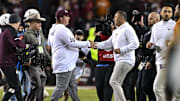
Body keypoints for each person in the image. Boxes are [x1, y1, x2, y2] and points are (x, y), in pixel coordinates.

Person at [47, 8, 93, 101]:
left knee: (72, 87)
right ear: (60, 18)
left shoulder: (53, 29)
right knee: (61, 87)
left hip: (67, 63)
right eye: (66, 16)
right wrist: (88, 43)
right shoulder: (61, 30)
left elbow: (50, 44)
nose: (69, 18)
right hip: (64, 64)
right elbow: (73, 43)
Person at [95, 10, 139, 101]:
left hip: (126, 60)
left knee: (113, 82)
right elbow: (107, 44)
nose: (114, 19)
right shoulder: (116, 31)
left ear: (121, 18)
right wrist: (95, 45)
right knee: (117, 83)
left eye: (115, 17)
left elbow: (136, 44)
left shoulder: (128, 29)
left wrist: (122, 50)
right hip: (119, 60)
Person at [146, 4, 176, 101]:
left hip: (170, 62)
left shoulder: (175, 26)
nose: (167, 14)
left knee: (157, 88)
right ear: (161, 13)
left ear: (172, 13)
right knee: (166, 90)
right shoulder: (155, 27)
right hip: (158, 61)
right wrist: (150, 45)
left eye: (169, 12)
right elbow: (155, 45)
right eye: (165, 11)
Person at [0, 14, 26, 101]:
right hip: (8, 62)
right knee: (16, 85)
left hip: (5, 62)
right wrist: (25, 45)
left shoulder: (5, 31)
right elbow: (16, 44)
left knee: (13, 86)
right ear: (17, 22)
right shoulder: (10, 31)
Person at [23, 9, 47, 101]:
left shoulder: (39, 34)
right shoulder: (26, 34)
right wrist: (26, 60)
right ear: (31, 23)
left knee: (42, 82)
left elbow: (43, 48)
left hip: (40, 62)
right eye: (37, 22)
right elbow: (21, 48)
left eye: (40, 22)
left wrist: (49, 60)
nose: (40, 24)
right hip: (32, 63)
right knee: (36, 84)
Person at [136, 12, 160, 101]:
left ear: (157, 20)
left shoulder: (159, 33)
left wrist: (151, 61)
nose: (148, 20)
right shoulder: (148, 33)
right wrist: (140, 55)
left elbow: (158, 49)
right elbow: (141, 47)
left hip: (152, 64)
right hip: (143, 63)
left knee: (148, 87)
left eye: (151, 18)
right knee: (139, 88)